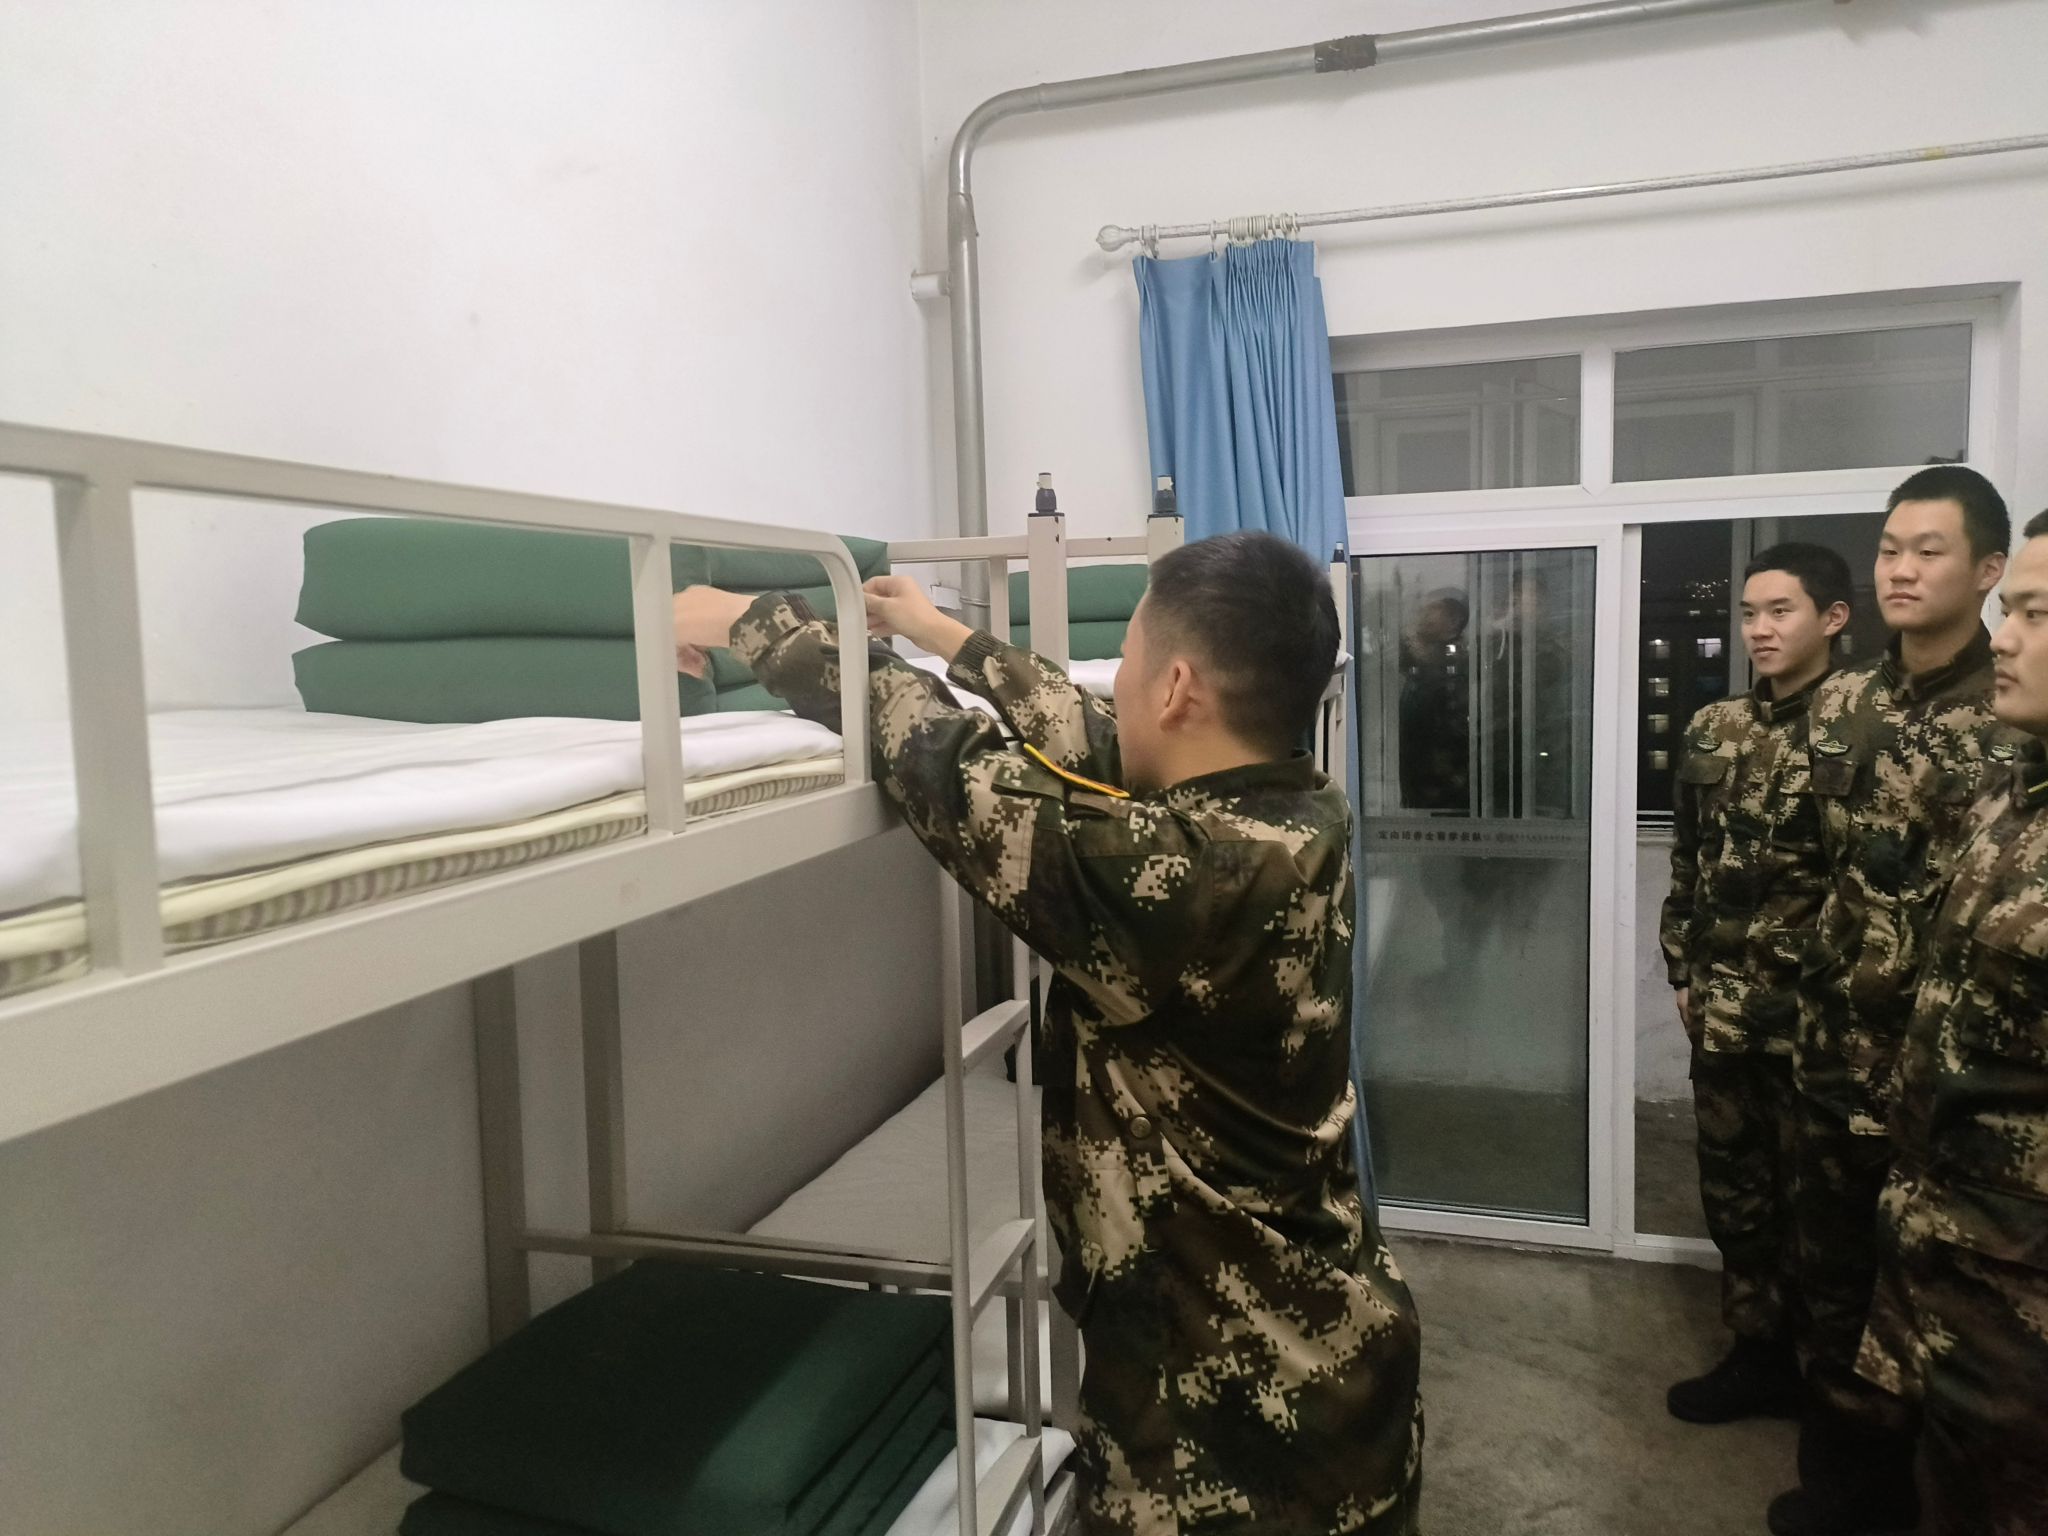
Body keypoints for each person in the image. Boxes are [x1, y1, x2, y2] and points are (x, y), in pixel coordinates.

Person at [673, 530, 1424, 1535]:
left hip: (1235, 1444)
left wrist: (751, 623)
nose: (1118, 687)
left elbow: (946, 762)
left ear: (1177, 687)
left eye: (1133, 659)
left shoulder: (1174, 878)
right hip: (1336, 1379)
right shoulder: (1291, 811)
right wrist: (943, 634)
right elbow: (1098, 733)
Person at [1773, 465, 2014, 1536]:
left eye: (1928, 551)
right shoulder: (1845, 702)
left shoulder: (2012, 711)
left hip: (1947, 1079)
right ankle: (1847, 1490)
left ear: (1988, 570)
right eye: (1888, 550)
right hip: (1834, 1053)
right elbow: (1810, 872)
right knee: (1830, 1275)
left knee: (1941, 1312)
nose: (1900, 570)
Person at [1854, 508, 2048, 1536]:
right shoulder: (2019, 800)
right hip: (1959, 1269)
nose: (2004, 637)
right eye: (2009, 610)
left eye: (2034, 615)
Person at [1660, 543, 1851, 1426]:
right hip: (1725, 1010)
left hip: (1817, 1021)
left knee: (1824, 1205)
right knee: (1736, 1191)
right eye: (1749, 613)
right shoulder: (1715, 726)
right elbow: (1689, 860)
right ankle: (1758, 1354)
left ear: (1833, 619)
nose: (1760, 630)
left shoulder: (1863, 726)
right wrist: (1682, 971)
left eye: (1781, 611)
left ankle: (1834, 1383)